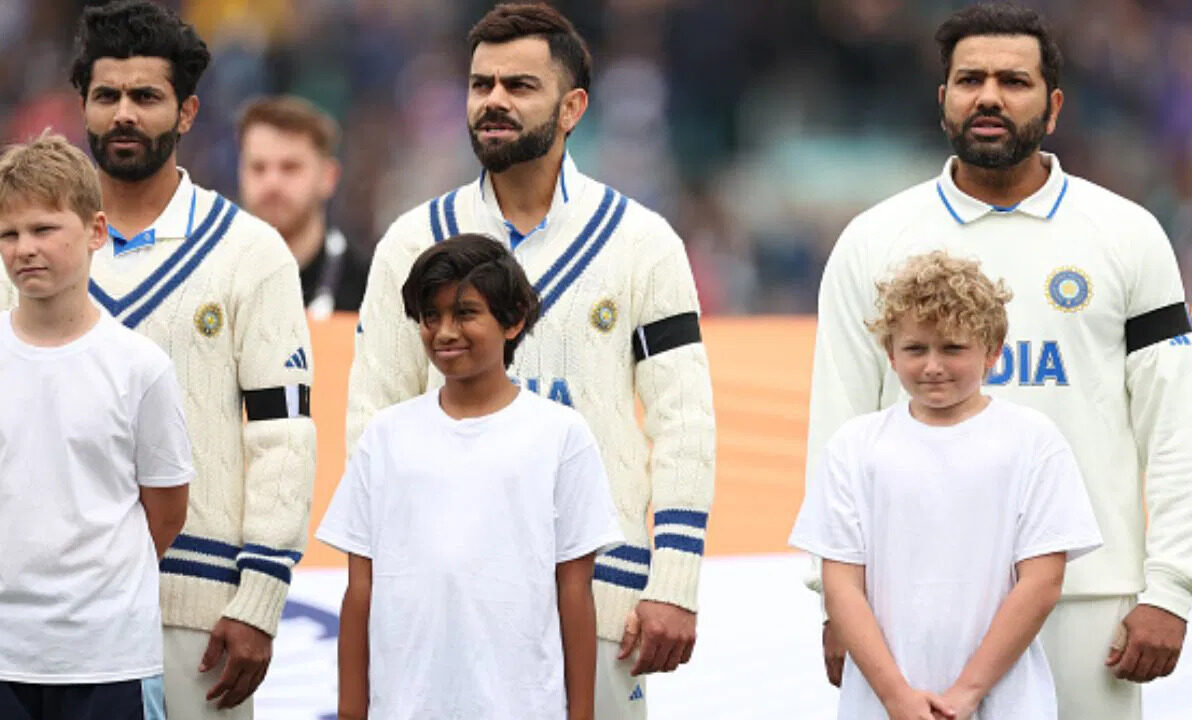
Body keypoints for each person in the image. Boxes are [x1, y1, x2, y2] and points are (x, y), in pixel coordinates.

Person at [802, 4, 1192, 718]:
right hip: (909, 602)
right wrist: (831, 602)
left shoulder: (1127, 234)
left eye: (1013, 81)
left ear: (1054, 106)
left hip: (1087, 597)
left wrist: (1171, 587)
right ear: (942, 99)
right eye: (969, 80)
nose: (989, 97)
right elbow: (838, 425)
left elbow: (1175, 427)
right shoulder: (874, 239)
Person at [347, 4, 716, 717]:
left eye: (519, 86)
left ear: (572, 107)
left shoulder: (641, 243)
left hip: (604, 597)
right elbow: (372, 424)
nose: (493, 101)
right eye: (480, 84)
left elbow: (684, 422)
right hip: (441, 604)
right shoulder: (411, 242)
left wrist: (673, 580)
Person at [70, 2, 316, 718]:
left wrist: (259, 597)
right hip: (48, 611)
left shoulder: (250, 253)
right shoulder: (23, 252)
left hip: (199, 614)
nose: (124, 114)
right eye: (107, 95)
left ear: (186, 113)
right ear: (83, 105)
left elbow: (282, 436)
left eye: (146, 96)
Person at [318, 233, 623, 720]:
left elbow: (575, 592)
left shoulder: (561, 435)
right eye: (430, 316)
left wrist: (580, 714)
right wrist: (351, 711)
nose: (444, 332)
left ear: (513, 319)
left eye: (464, 314)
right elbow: (360, 591)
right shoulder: (385, 436)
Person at [791, 251, 1103, 720]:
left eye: (953, 348)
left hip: (1006, 703)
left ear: (992, 351)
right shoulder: (854, 447)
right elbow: (841, 587)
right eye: (916, 349)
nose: (933, 365)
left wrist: (966, 693)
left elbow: (1042, 581)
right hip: (881, 705)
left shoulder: (1033, 441)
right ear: (890, 353)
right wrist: (896, 697)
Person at [0, 131, 192, 719]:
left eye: (44, 229)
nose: (25, 249)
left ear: (96, 231)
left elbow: (166, 512)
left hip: (109, 657)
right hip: (1, 653)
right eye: (9, 234)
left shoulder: (140, 368)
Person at [236, 95, 369, 319]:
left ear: (328, 177)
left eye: (290, 167)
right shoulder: (209, 282)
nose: (272, 183)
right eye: (258, 167)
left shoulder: (372, 292)